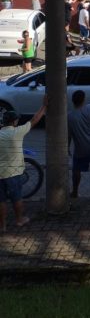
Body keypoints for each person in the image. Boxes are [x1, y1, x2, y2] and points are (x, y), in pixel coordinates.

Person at [0, 96, 48, 230]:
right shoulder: (17, 132)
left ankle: (2, 225)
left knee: (1, 200)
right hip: (13, 173)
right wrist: (44, 106)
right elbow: (34, 120)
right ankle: (19, 219)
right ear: (14, 122)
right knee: (16, 198)